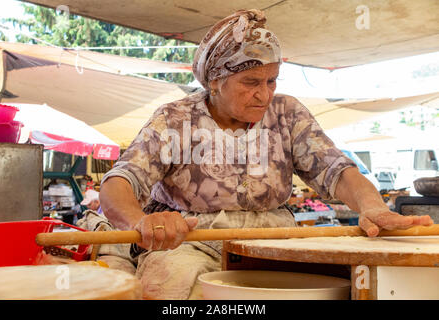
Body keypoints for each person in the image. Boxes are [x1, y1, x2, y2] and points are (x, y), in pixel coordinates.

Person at [100, 9, 433, 299]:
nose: (264, 94)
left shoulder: (286, 112)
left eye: (272, 80)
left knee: (348, 281)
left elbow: (336, 170)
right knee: (173, 285)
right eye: (250, 81)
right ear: (216, 80)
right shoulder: (174, 119)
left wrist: (373, 207)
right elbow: (118, 184)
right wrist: (142, 222)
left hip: (276, 239)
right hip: (191, 241)